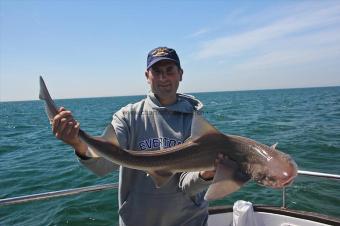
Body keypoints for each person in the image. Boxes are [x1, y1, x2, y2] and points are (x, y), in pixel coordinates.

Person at [52, 47, 224, 226]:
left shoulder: (196, 122)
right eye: (156, 71)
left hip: (190, 221)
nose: (163, 78)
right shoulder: (128, 117)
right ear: (147, 76)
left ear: (180, 74)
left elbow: (189, 186)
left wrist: (207, 174)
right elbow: (102, 166)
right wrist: (78, 144)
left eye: (169, 71)